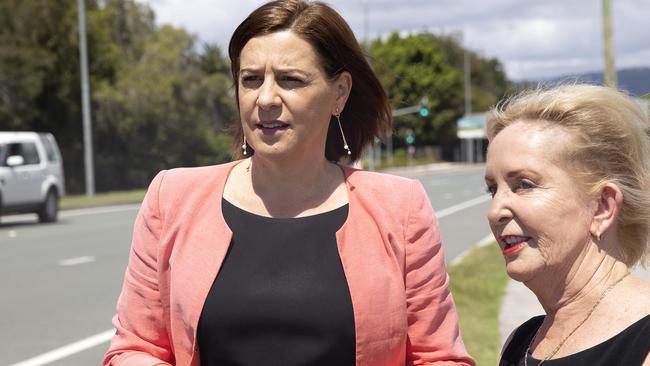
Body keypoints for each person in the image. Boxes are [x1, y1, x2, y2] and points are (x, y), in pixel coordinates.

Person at [103, 1, 474, 365]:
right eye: (250, 80)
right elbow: (133, 348)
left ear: (339, 93)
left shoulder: (401, 207)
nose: (265, 98)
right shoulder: (171, 197)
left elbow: (440, 356)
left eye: (290, 80)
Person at [484, 84, 650, 366]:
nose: (495, 211)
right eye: (492, 189)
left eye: (523, 185)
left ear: (602, 206)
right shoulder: (520, 342)